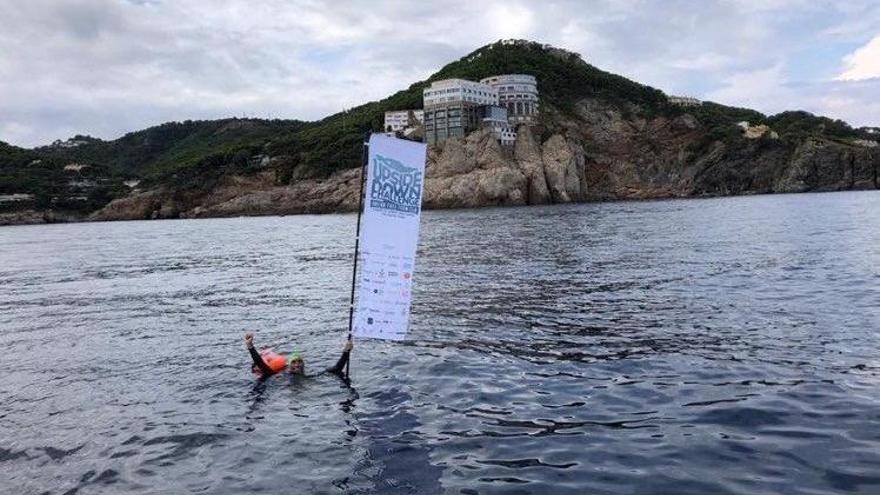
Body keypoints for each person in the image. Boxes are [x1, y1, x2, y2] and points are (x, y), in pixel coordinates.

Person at [244, 332, 352, 379]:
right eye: (294, 362)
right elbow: (261, 364)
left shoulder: (311, 375)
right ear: (289, 364)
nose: (297, 364)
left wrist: (346, 351)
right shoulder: (280, 376)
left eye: (299, 361)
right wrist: (250, 346)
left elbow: (337, 369)